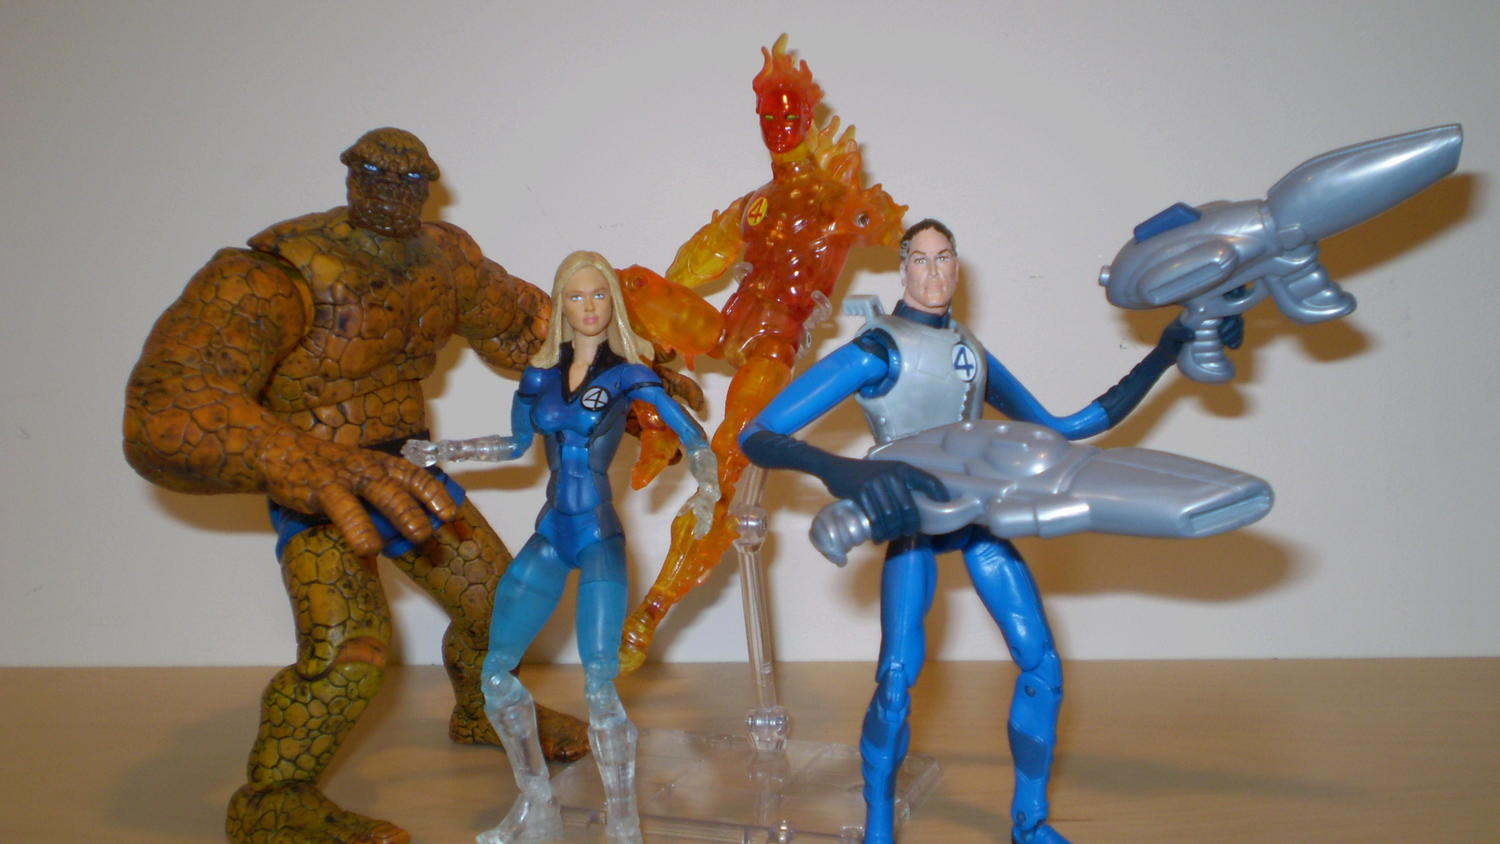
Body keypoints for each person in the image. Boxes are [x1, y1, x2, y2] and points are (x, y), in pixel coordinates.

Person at [123, 128, 590, 844]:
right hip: (322, 489)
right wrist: (297, 460)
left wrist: (624, 375)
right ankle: (272, 797)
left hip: (408, 475)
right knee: (349, 651)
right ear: (350, 175)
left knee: (504, 603)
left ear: (427, 185)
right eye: (375, 175)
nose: (391, 192)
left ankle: (481, 708)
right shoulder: (274, 271)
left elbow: (527, 329)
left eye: (408, 180)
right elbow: (166, 406)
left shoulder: (444, 259)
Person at [738, 219, 1241, 844]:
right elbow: (757, 433)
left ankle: (1029, 823)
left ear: (958, 266)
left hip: (979, 518)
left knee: (1042, 665)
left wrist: (1168, 349)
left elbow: (1067, 426)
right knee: (896, 679)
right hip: (914, 523)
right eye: (921, 260)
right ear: (903, 269)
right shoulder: (879, 350)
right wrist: (845, 471)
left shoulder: (970, 351)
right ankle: (878, 830)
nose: (933, 272)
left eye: (944, 258)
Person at [405, 252, 719, 844]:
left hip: (598, 535)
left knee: (599, 682)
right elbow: (513, 444)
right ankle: (537, 804)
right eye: (576, 296)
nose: (589, 306)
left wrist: (707, 489)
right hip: (552, 530)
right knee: (495, 673)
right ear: (561, 306)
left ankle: (623, 824)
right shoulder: (540, 375)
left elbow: (690, 435)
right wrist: (445, 452)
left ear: (612, 301)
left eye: (599, 294)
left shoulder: (626, 373)